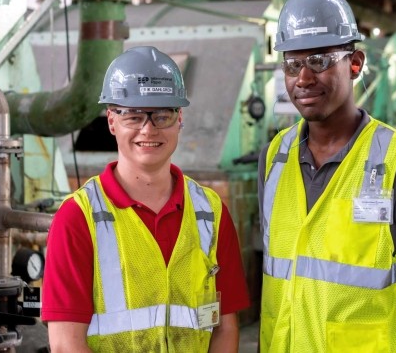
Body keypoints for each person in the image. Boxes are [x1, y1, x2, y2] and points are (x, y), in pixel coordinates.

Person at [258, 0, 396, 353]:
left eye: (319, 61)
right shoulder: (274, 158)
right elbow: (274, 285)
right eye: (292, 64)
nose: (303, 78)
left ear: (356, 64)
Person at [42, 46, 250, 352]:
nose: (148, 128)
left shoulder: (211, 212)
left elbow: (225, 329)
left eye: (162, 115)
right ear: (111, 120)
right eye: (133, 116)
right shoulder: (77, 217)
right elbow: (65, 344)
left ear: (180, 119)